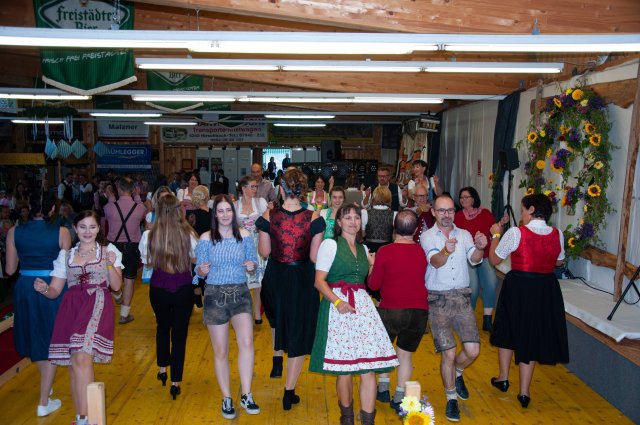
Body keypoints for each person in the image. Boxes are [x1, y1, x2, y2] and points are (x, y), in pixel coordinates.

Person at [310, 204, 398, 425]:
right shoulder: (330, 245)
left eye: (356, 217)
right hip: (337, 307)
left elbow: (367, 283)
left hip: (362, 307)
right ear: (338, 223)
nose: (352, 221)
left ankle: (368, 421)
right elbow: (319, 282)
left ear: (361, 222)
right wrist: (338, 302)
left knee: (369, 368)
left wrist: (372, 266)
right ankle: (346, 418)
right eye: (347, 217)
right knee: (345, 370)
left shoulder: (363, 248)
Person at [33, 210, 123, 425]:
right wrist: (45, 289)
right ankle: (81, 416)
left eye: (92, 227)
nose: (87, 231)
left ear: (99, 228)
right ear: (75, 228)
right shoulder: (66, 255)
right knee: (74, 362)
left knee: (82, 356)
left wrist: (110, 264)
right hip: (71, 307)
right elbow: (55, 290)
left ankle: (89, 418)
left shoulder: (108, 251)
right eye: (82, 227)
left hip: (97, 303)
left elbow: (117, 287)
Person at [488, 194, 568, 408]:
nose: (521, 215)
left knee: (508, 329)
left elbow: (494, 259)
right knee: (531, 334)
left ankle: (503, 378)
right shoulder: (557, 233)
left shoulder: (516, 232)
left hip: (519, 286)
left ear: (531, 209)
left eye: (523, 210)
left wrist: (495, 235)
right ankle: (524, 392)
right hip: (545, 289)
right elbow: (559, 260)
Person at [256, 168, 325, 410]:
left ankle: (277, 357)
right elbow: (315, 257)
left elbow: (264, 252)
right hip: (302, 279)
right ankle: (289, 391)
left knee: (280, 322)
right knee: (298, 332)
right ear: (303, 189)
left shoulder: (269, 214)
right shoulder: (314, 217)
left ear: (282, 189)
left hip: (276, 276)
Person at [420, 194, 488, 422]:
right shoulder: (427, 236)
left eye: (450, 210)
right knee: (448, 352)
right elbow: (435, 262)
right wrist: (447, 250)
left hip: (462, 298)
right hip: (437, 299)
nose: (446, 215)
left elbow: (475, 260)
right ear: (433, 212)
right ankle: (451, 399)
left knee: (473, 351)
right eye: (442, 210)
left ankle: (458, 373)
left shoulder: (465, 234)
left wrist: (480, 247)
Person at [194, 194, 260, 419]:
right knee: (220, 350)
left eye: (228, 210)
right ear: (215, 214)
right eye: (220, 211)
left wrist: (252, 266)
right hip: (214, 295)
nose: (224, 215)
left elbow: (254, 266)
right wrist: (200, 271)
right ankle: (226, 397)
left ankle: (247, 393)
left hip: (240, 292)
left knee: (247, 342)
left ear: (233, 212)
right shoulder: (205, 238)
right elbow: (198, 271)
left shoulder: (245, 235)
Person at [5, 195, 71, 418]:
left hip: (25, 287)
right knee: (51, 340)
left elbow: (10, 270)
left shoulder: (14, 232)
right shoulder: (62, 232)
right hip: (53, 286)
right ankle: (43, 402)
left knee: (36, 336)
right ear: (53, 208)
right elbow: (65, 269)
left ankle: (47, 385)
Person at [368, 210, 429, 413]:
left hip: (391, 309)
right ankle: (400, 396)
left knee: (386, 353)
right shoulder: (420, 252)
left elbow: (374, 284)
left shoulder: (385, 251)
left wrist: (371, 264)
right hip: (419, 311)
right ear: (414, 230)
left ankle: (383, 389)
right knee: (405, 356)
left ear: (394, 229)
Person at [139, 194, 198, 400]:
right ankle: (176, 381)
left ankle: (163, 368)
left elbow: (146, 263)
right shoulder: (188, 233)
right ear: (177, 211)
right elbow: (195, 259)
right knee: (180, 334)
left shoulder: (149, 235)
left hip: (158, 288)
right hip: (183, 288)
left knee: (162, 327)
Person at [454, 186, 509, 332]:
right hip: (468, 258)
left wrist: (501, 225)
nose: (463, 200)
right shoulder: (458, 216)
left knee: (490, 284)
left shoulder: (485, 213)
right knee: (473, 287)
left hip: (485, 256)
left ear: (474, 198)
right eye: (461, 197)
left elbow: (494, 232)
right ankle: (468, 318)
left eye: (466, 197)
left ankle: (487, 319)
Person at [103, 177, 146, 324]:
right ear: (133, 190)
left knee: (112, 275)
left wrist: (110, 198)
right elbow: (143, 212)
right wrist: (138, 196)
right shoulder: (139, 207)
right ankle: (124, 314)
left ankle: (117, 294)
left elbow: (107, 214)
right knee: (129, 280)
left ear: (118, 189)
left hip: (113, 247)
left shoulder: (110, 207)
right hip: (132, 246)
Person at [234, 176, 268, 324]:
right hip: (241, 245)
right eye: (252, 186)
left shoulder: (260, 202)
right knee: (242, 280)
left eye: (256, 187)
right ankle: (243, 311)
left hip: (257, 242)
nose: (255, 189)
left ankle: (257, 313)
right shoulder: (235, 205)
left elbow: (267, 222)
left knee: (258, 281)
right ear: (243, 188)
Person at [365, 186, 396, 253]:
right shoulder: (394, 214)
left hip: (369, 249)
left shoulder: (365, 213)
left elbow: (362, 234)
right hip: (387, 249)